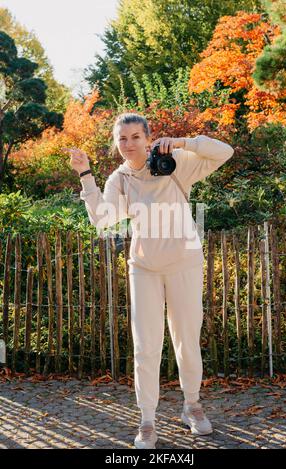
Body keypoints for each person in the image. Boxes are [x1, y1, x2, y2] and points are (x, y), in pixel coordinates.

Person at [66, 113, 234, 449]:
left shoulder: (175, 164)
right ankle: (146, 421)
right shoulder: (121, 178)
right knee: (146, 347)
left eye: (135, 137)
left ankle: (192, 406)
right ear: (116, 143)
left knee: (186, 339)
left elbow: (224, 152)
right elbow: (102, 218)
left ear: (148, 138)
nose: (128, 144)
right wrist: (85, 174)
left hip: (184, 263)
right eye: (122, 138)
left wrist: (183, 142)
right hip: (144, 268)